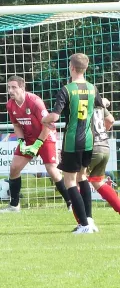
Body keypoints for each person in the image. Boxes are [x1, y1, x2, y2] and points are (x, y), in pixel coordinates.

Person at [42, 53, 104, 234]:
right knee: (82, 177)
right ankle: (89, 221)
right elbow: (101, 104)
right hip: (88, 140)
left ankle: (83, 225)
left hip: (72, 141)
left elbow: (54, 116)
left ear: (72, 68)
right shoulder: (93, 88)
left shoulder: (66, 90)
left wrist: (43, 119)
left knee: (69, 180)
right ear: (85, 69)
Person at [0, 75, 71, 213]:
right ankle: (14, 205)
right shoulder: (10, 104)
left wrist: (37, 145)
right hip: (28, 139)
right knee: (14, 168)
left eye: (14, 87)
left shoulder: (35, 102)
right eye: (9, 87)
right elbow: (16, 125)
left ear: (22, 87)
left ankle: (70, 202)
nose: (10, 90)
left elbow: (48, 125)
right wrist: (21, 142)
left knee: (53, 171)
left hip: (46, 137)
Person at [81, 98, 120, 217]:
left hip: (90, 147)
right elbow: (111, 120)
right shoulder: (97, 102)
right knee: (97, 181)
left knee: (75, 181)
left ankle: (84, 222)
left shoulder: (80, 102)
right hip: (104, 146)